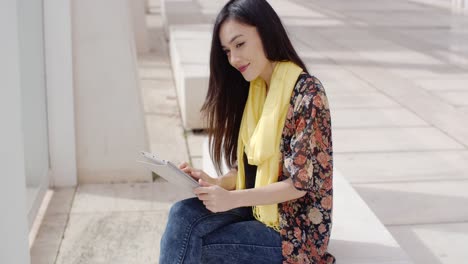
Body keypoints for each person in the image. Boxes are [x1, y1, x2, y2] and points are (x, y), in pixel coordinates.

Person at [159, 0, 335, 263]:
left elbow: (299, 184)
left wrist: (231, 199)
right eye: (227, 51)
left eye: (239, 44)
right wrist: (217, 183)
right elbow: (247, 170)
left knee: (196, 245)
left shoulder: (307, 94)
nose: (234, 59)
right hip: (255, 207)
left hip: (293, 231)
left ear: (265, 31)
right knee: (181, 214)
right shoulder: (254, 89)